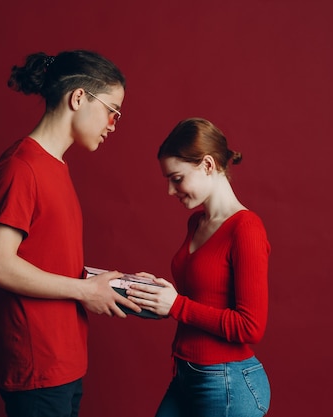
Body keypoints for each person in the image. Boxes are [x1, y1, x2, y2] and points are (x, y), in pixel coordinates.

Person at [0, 50, 141, 417]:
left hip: (65, 361)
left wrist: (113, 284)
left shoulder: (56, 168)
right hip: (38, 368)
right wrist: (86, 291)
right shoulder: (20, 168)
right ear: (79, 97)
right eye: (112, 110)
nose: (114, 123)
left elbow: (47, 258)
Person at [126, 118, 271, 417]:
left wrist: (176, 305)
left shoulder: (246, 229)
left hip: (227, 382)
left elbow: (251, 327)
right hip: (186, 374)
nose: (169, 190)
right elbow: (202, 297)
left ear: (207, 165)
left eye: (176, 178)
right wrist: (158, 294)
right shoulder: (197, 223)